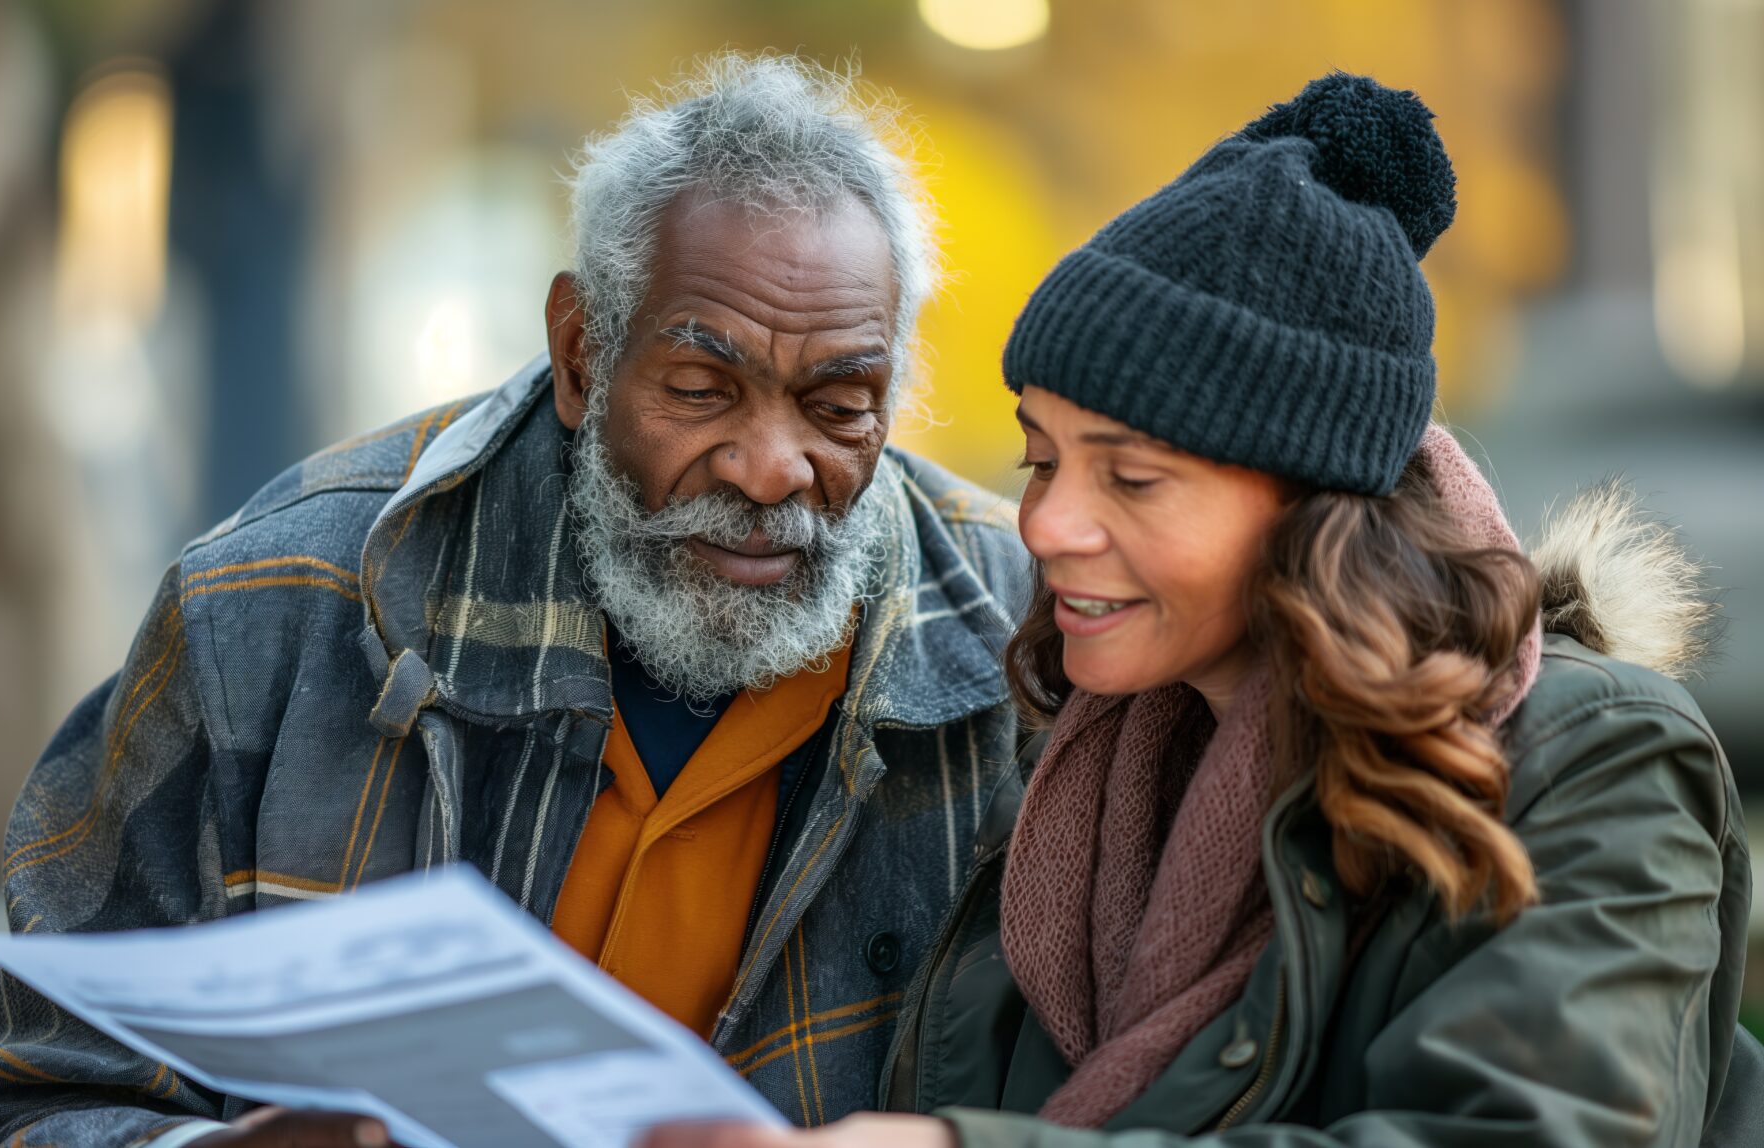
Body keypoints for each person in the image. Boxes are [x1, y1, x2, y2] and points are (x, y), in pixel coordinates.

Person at [0, 55, 1030, 1148]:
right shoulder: (271, 610)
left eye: (837, 407)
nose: (769, 466)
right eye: (701, 390)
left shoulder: (1020, 629)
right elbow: (11, 1105)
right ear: (581, 354)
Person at [642, 73, 1755, 1148]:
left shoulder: (1594, 762)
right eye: (1040, 460)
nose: (1045, 527)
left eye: (1130, 478)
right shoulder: (1075, 774)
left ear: (1311, 507)